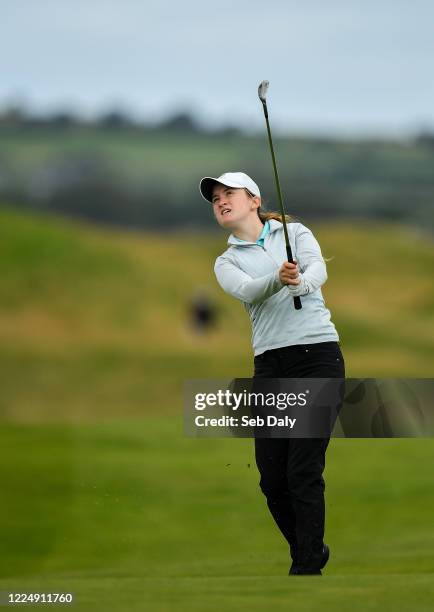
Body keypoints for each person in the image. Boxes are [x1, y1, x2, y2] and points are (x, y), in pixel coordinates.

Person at [199, 171, 345, 576]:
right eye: (215, 199)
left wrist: (300, 282)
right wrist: (279, 279)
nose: (221, 201)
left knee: (303, 469)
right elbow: (247, 290)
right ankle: (310, 548)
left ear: (253, 199)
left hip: (318, 358)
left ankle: (306, 565)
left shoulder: (295, 234)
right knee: (272, 479)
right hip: (271, 366)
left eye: (229, 193)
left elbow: (318, 271)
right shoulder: (226, 260)